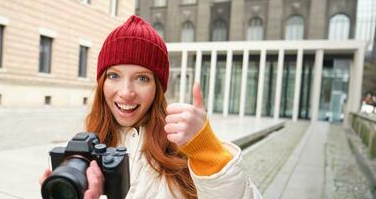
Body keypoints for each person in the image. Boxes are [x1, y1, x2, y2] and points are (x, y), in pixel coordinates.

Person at [40, 15, 261, 199]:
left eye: (142, 78)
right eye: (114, 75)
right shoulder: (83, 151)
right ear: (102, 83)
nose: (126, 92)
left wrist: (207, 152)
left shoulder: (183, 146)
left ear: (158, 87)